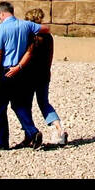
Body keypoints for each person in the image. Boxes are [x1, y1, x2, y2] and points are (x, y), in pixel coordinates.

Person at [0, 2, 51, 151]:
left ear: (1, 14)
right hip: (21, 71)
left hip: (6, 71)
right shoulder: (26, 25)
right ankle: (33, 132)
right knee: (18, 105)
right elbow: (46, 29)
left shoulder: (1, 28)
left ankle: (2, 141)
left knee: (0, 108)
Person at [19, 8, 67, 147]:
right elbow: (50, 56)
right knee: (44, 103)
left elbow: (26, 56)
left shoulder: (30, 37)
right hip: (44, 74)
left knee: (25, 105)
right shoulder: (48, 37)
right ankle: (59, 130)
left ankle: (30, 134)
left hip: (29, 75)